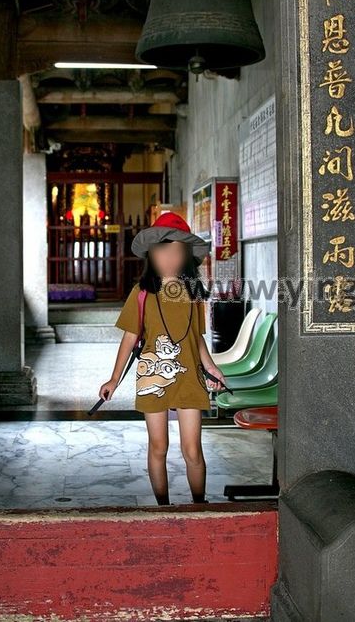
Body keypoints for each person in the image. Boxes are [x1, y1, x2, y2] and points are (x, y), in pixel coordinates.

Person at [98, 212, 224, 505]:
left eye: (176, 251)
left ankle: (198, 505)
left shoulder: (193, 294)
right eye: (162, 251)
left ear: (186, 256)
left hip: (189, 378)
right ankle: (163, 507)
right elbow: (129, 339)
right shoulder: (141, 294)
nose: (168, 257)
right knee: (158, 447)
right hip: (152, 377)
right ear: (151, 256)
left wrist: (212, 368)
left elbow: (197, 338)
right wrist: (114, 379)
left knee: (193, 449)